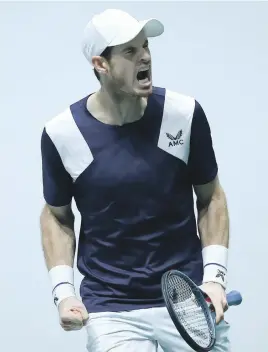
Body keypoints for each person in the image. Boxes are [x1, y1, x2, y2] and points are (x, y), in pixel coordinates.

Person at [40, 8, 231, 352]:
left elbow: (211, 197)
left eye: (145, 46)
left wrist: (214, 279)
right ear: (101, 64)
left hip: (187, 296)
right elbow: (56, 216)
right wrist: (64, 293)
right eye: (129, 51)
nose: (144, 56)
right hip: (111, 308)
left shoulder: (183, 114)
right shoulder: (62, 134)